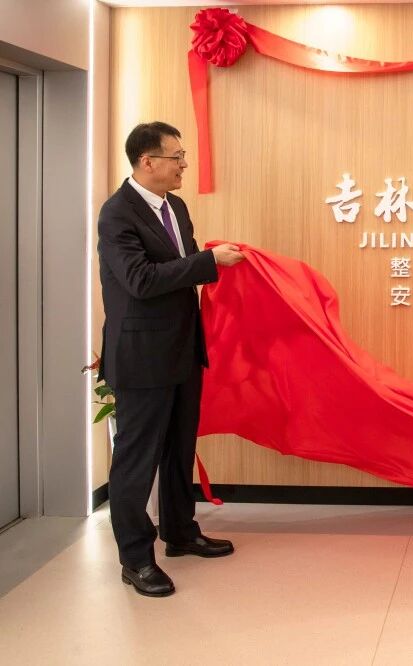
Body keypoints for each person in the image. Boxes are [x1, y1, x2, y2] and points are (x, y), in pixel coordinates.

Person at [97, 121, 244, 597]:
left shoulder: (175, 207)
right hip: (141, 357)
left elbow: (183, 268)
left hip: (182, 349)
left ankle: (180, 532)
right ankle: (136, 559)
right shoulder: (116, 214)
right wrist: (208, 262)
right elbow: (140, 280)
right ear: (147, 161)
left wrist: (214, 260)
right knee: (136, 460)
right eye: (176, 157)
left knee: (179, 449)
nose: (184, 165)